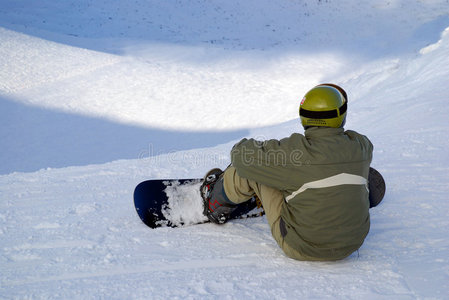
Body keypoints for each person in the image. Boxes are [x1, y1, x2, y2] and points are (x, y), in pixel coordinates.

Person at [200, 84, 373, 261]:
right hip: (351, 244)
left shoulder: (293, 153)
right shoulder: (362, 146)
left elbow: (240, 155)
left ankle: (215, 203)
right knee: (331, 172)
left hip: (301, 246)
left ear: (303, 116)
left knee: (252, 169)